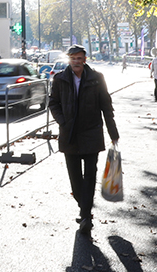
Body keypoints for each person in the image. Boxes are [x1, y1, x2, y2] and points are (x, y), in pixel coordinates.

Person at [49, 44, 119, 233]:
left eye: (79, 58)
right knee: (75, 179)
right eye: (73, 59)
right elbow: (53, 103)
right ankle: (84, 208)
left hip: (91, 134)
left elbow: (106, 106)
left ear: (85, 59)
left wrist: (113, 133)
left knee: (90, 176)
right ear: (69, 60)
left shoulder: (97, 79)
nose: (76, 62)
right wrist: (63, 121)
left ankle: (86, 216)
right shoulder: (60, 79)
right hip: (69, 134)